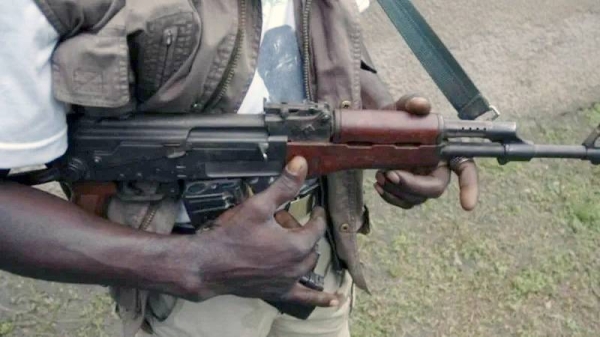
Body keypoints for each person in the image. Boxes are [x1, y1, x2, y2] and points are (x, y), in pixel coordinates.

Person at [0, 0, 479, 336]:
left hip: (312, 250)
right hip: (185, 296)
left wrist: (389, 128)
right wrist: (194, 265)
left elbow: (324, 29)